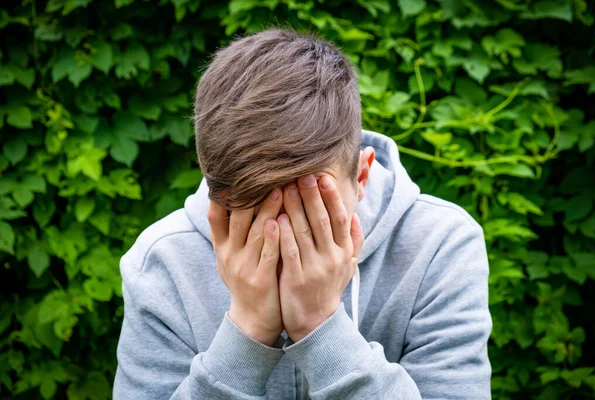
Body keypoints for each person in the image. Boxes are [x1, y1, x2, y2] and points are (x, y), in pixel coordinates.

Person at [113, 28, 492, 399]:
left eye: (312, 208)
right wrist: (246, 335)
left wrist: (320, 325)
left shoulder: (441, 245)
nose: (285, 240)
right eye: (253, 214)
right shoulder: (160, 262)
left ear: (360, 176)